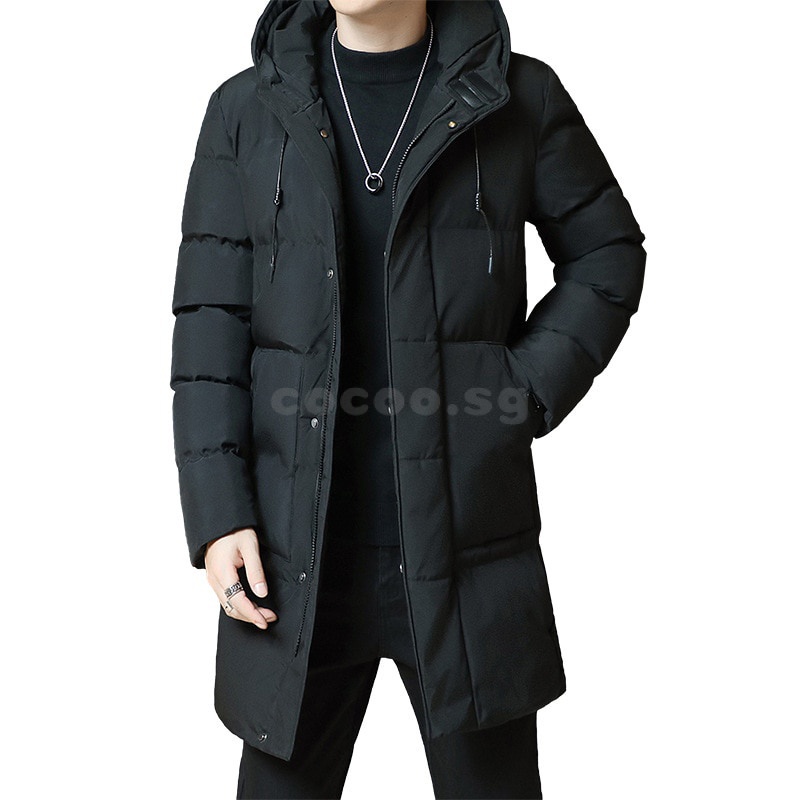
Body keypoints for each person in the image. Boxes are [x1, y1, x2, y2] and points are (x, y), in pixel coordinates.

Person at [169, 0, 647, 797]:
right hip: (296, 562)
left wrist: (517, 393)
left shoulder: (515, 96)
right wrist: (218, 514)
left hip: (465, 551)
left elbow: (608, 254)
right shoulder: (246, 110)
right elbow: (210, 326)